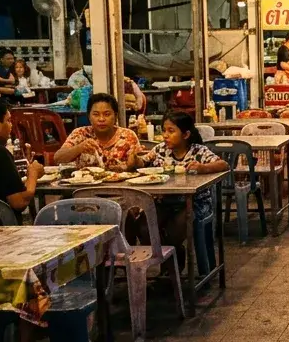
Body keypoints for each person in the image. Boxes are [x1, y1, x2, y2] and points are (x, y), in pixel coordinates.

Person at [144, 111, 230, 272]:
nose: (165, 136)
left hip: (195, 203)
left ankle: (172, 263)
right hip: (163, 201)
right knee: (142, 226)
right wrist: (133, 159)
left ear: (186, 134)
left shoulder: (198, 151)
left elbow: (223, 165)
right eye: (164, 131)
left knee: (175, 229)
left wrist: (203, 167)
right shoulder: (160, 150)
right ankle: (173, 259)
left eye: (171, 131)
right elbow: (143, 161)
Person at [53, 92, 141, 170]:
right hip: (87, 186)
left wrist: (135, 163)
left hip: (120, 186)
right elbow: (57, 158)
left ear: (115, 116)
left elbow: (141, 166)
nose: (101, 119)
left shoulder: (128, 136)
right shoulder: (80, 133)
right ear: (89, 117)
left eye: (107, 114)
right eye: (96, 114)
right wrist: (79, 148)